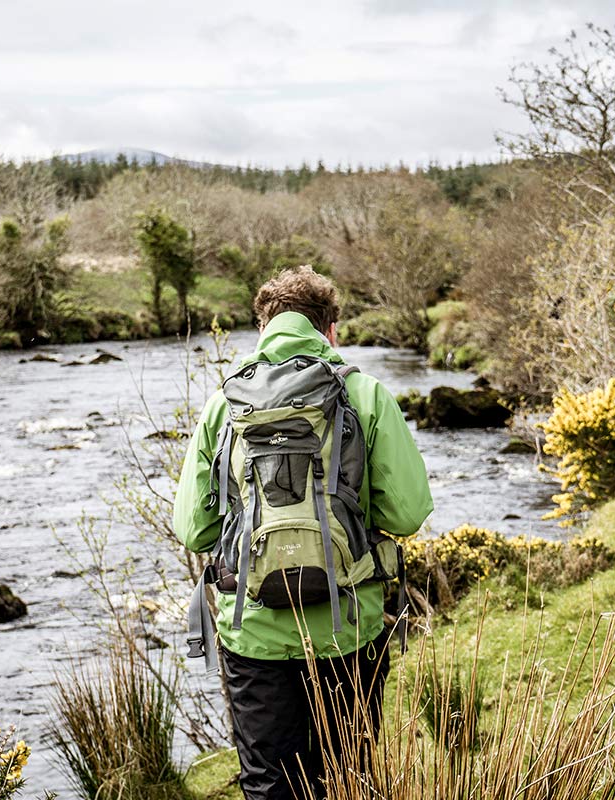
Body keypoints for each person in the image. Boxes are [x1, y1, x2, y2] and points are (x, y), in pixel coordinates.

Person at [173, 266, 433, 799]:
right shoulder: (364, 393)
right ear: (329, 328)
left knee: (270, 783)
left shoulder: (225, 403)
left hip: (254, 632)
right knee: (346, 774)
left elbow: (194, 531)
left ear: (263, 326)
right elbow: (407, 514)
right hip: (347, 627)